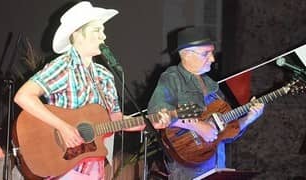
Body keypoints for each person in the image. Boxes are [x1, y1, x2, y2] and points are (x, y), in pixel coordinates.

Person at [14, 1, 168, 179]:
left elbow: (116, 120)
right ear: (78, 34)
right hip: (64, 163)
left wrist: (150, 122)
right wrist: (63, 127)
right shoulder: (63, 66)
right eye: (97, 31)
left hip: (93, 164)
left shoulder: (104, 76)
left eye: (103, 31)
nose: (103, 37)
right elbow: (23, 96)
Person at [147, 26, 265, 179]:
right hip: (188, 170)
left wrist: (249, 118)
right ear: (187, 55)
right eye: (206, 54)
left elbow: (224, 132)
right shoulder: (172, 78)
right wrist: (196, 125)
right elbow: (156, 116)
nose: (213, 59)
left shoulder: (211, 85)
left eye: (212, 52)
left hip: (216, 168)